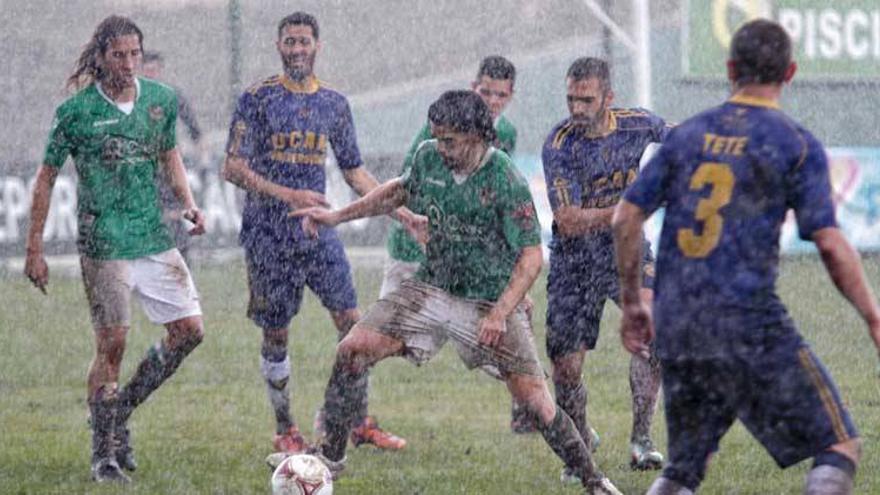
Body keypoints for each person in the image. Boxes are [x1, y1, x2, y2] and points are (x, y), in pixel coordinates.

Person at [294, 90, 623, 494]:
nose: (439, 147)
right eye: (437, 137)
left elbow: (531, 259)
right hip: (433, 288)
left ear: (475, 136)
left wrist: (501, 312)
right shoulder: (430, 156)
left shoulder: (504, 177)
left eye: (449, 140)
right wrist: (336, 217)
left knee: (536, 402)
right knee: (351, 350)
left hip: (489, 301)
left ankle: (594, 481)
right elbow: (399, 189)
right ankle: (330, 457)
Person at [613, 19, 880, 494]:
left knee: (683, 466)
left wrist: (635, 301)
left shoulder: (686, 135)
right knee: (838, 447)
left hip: (679, 322)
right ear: (791, 72)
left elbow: (626, 218)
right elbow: (831, 244)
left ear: (730, 68)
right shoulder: (793, 142)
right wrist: (873, 316)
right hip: (747, 323)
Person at [24, 15, 206, 483]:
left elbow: (169, 155)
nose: (128, 64)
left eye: (135, 55)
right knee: (113, 343)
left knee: (189, 331)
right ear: (101, 57)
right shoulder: (77, 112)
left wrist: (188, 204)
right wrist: (34, 248)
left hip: (152, 236)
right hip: (105, 240)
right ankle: (102, 454)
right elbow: (46, 178)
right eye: (119, 55)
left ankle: (118, 410)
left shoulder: (160, 102)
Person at [221, 11, 413, 455]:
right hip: (268, 236)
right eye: (289, 42)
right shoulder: (258, 98)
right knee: (276, 333)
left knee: (352, 323)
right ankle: (286, 428)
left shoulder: (333, 103)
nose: (297, 50)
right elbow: (232, 167)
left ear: (317, 46)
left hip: (317, 231)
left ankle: (357, 421)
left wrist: (401, 214)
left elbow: (355, 172)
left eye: (304, 42)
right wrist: (285, 193)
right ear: (278, 46)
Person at [381, 54, 536, 434]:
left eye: (499, 94)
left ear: (510, 95)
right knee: (373, 338)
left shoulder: (506, 136)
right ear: (473, 88)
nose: (491, 101)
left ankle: (533, 409)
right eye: (485, 91)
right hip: (412, 252)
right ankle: (351, 417)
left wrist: (512, 278)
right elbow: (405, 185)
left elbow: (495, 209)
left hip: (462, 262)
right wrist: (410, 221)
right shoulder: (439, 131)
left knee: (505, 335)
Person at [541, 56, 671, 474]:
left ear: (608, 98)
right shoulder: (559, 145)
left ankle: (641, 441)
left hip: (624, 252)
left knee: (655, 332)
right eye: (571, 99)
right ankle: (580, 445)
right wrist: (629, 208)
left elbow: (682, 140)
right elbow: (568, 220)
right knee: (566, 367)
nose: (576, 108)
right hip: (574, 261)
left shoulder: (637, 124)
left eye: (586, 100)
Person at [139, 50, 205, 264]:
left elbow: (195, 130)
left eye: (154, 70)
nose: (151, 74)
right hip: (139, 170)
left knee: (175, 216)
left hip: (166, 167)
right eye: (146, 70)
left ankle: (181, 265)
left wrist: (201, 161)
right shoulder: (130, 98)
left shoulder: (171, 96)